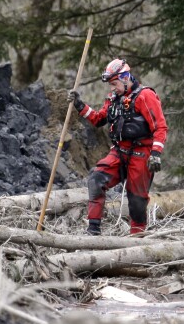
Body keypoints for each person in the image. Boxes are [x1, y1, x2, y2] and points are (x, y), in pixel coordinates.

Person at [68, 58, 168, 235]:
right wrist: (80, 105)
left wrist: (156, 153)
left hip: (141, 153)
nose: (112, 88)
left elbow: (160, 127)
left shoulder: (145, 96)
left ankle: (136, 241)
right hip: (119, 151)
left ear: (125, 77)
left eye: (114, 83)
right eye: (110, 85)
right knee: (96, 180)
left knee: (136, 200)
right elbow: (99, 119)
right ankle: (93, 232)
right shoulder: (113, 98)